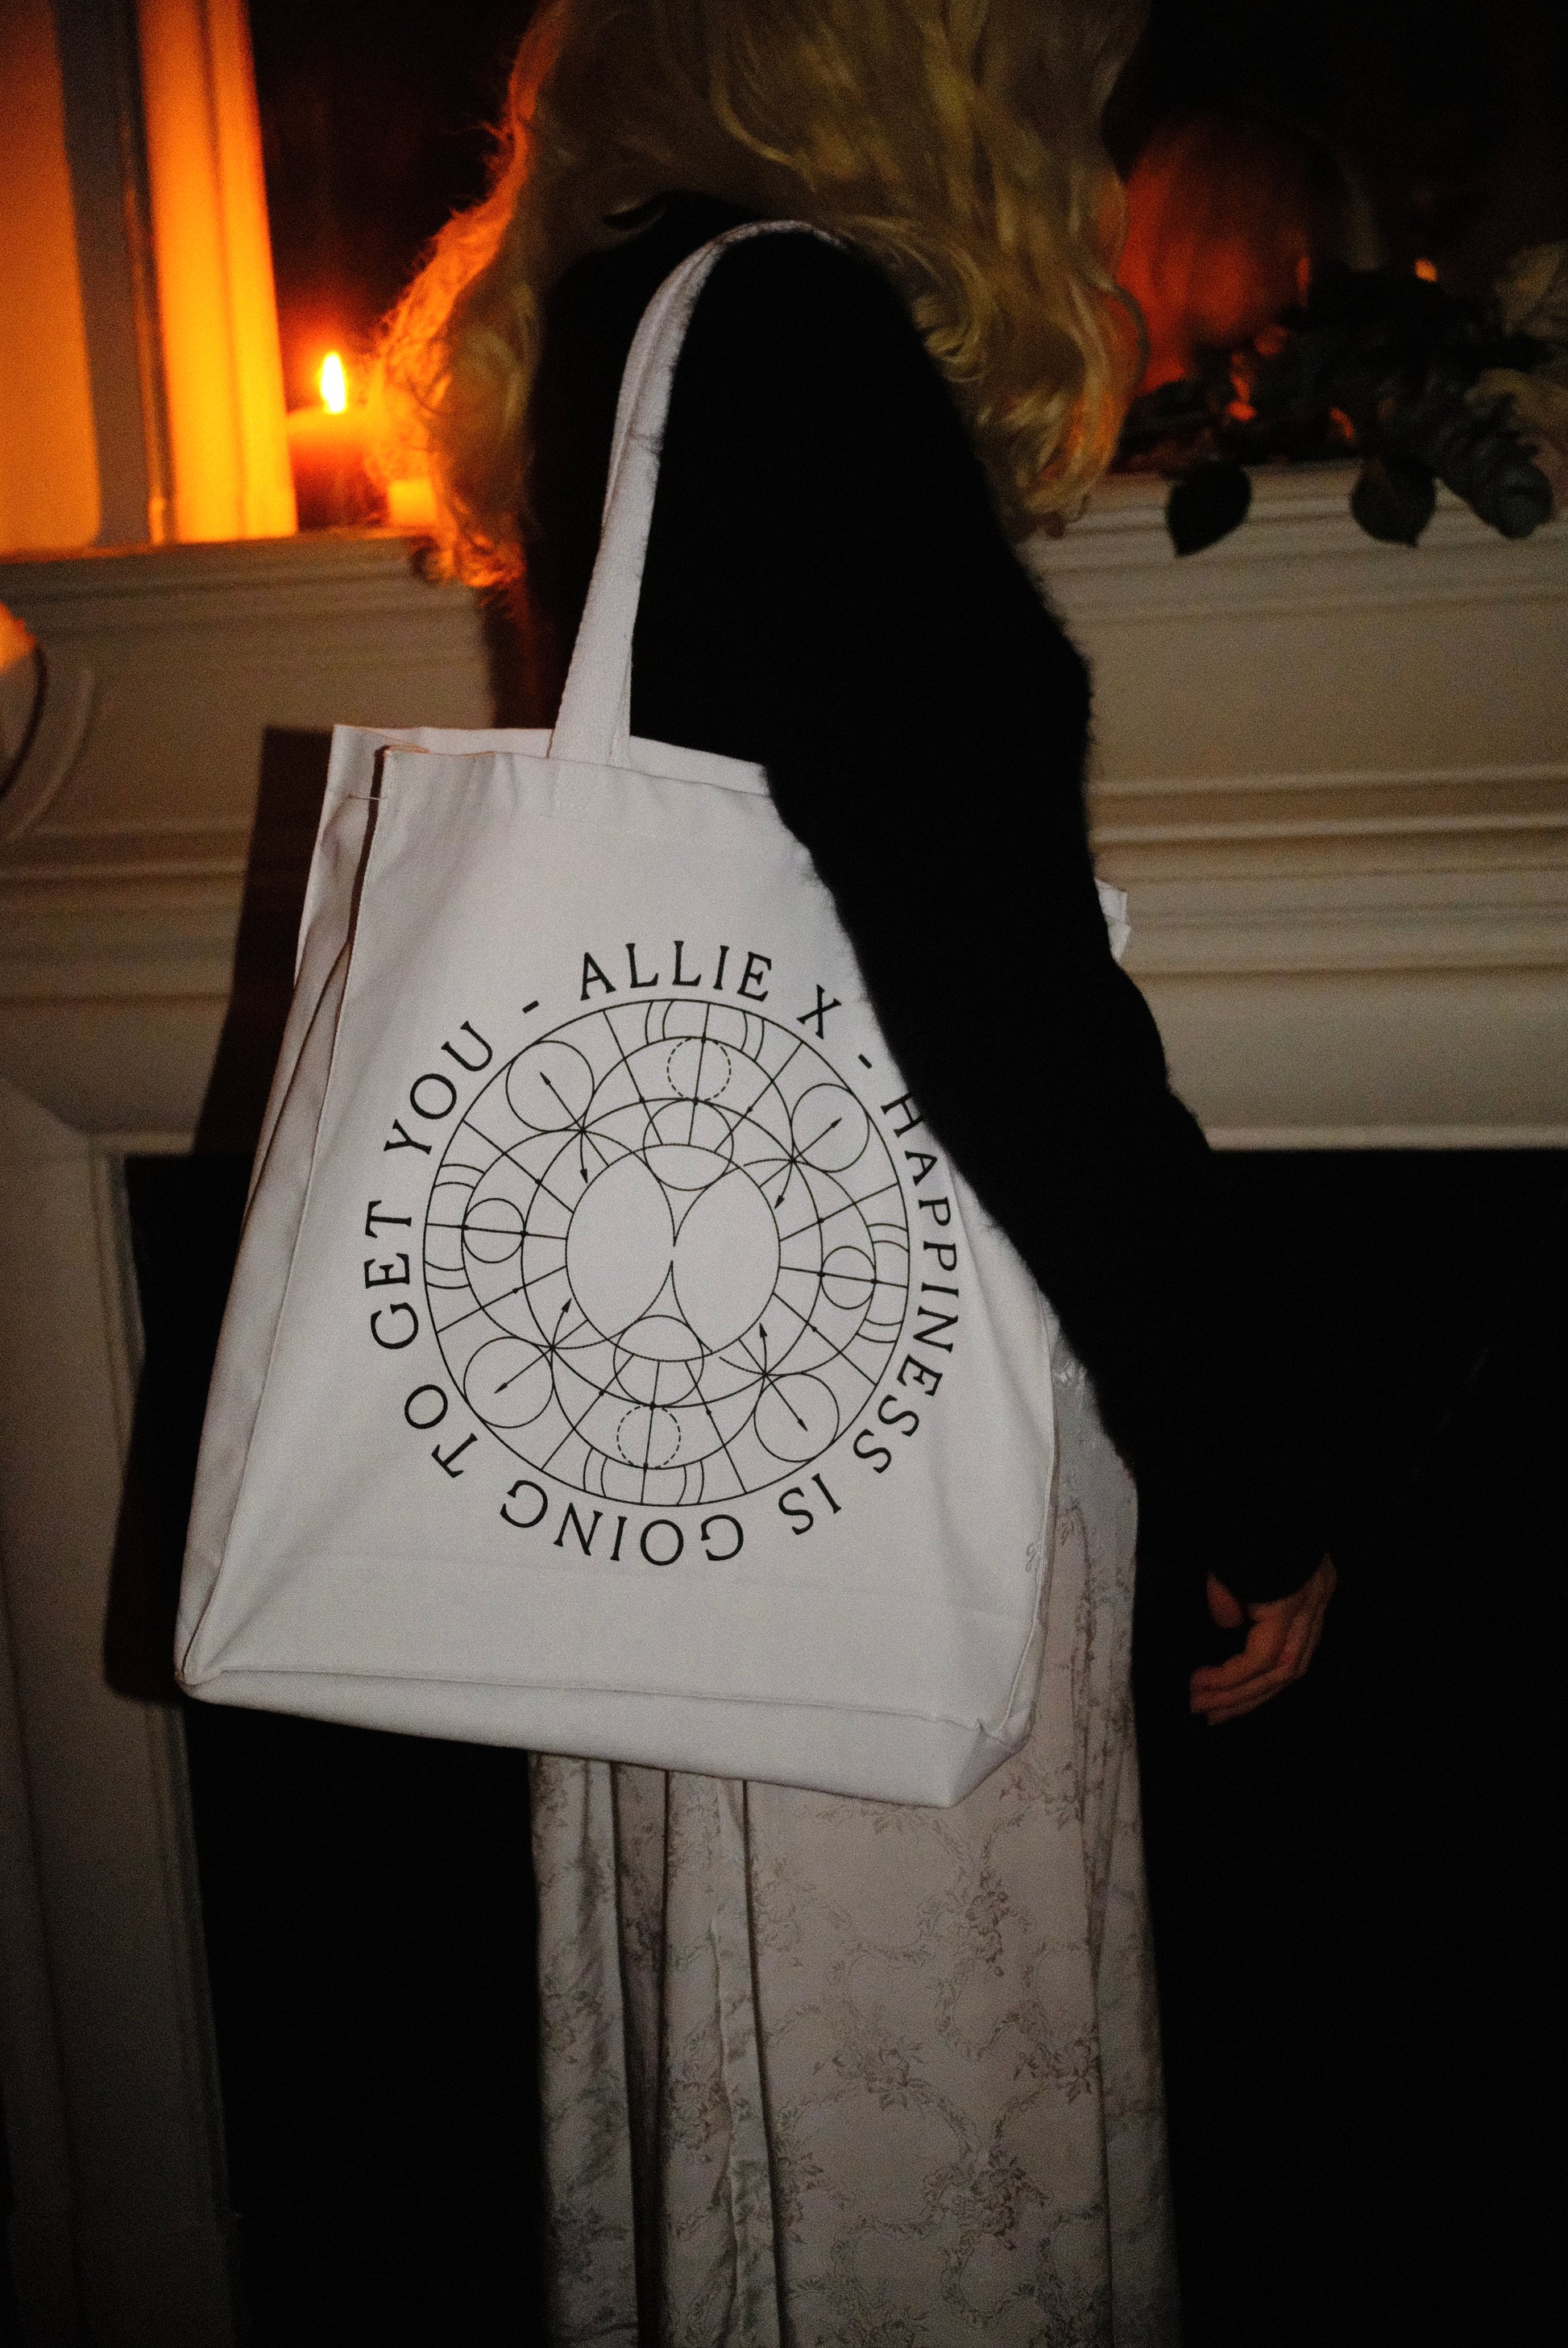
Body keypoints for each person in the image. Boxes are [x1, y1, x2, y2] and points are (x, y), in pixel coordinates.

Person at [377, 3, 1337, 2337]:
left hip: (692, 1398)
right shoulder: (793, 330)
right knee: (920, 2139)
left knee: (754, 2112)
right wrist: (1247, 1452)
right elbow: (994, 987)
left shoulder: (634, 318)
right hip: (857, 1391)